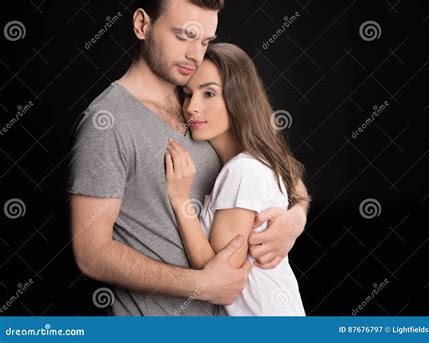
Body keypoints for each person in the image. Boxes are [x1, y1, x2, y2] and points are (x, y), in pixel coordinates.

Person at [68, 0, 310, 316]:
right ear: (142, 25)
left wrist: (293, 221)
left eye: (205, 41)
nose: (195, 54)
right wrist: (201, 285)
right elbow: (91, 253)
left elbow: (280, 171)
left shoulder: (204, 106)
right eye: (184, 36)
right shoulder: (107, 122)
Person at [165, 43, 310, 315]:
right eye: (187, 94)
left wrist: (179, 200)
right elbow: (297, 186)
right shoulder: (260, 160)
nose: (191, 107)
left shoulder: (243, 170)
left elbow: (221, 277)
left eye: (208, 93)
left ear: (238, 98)